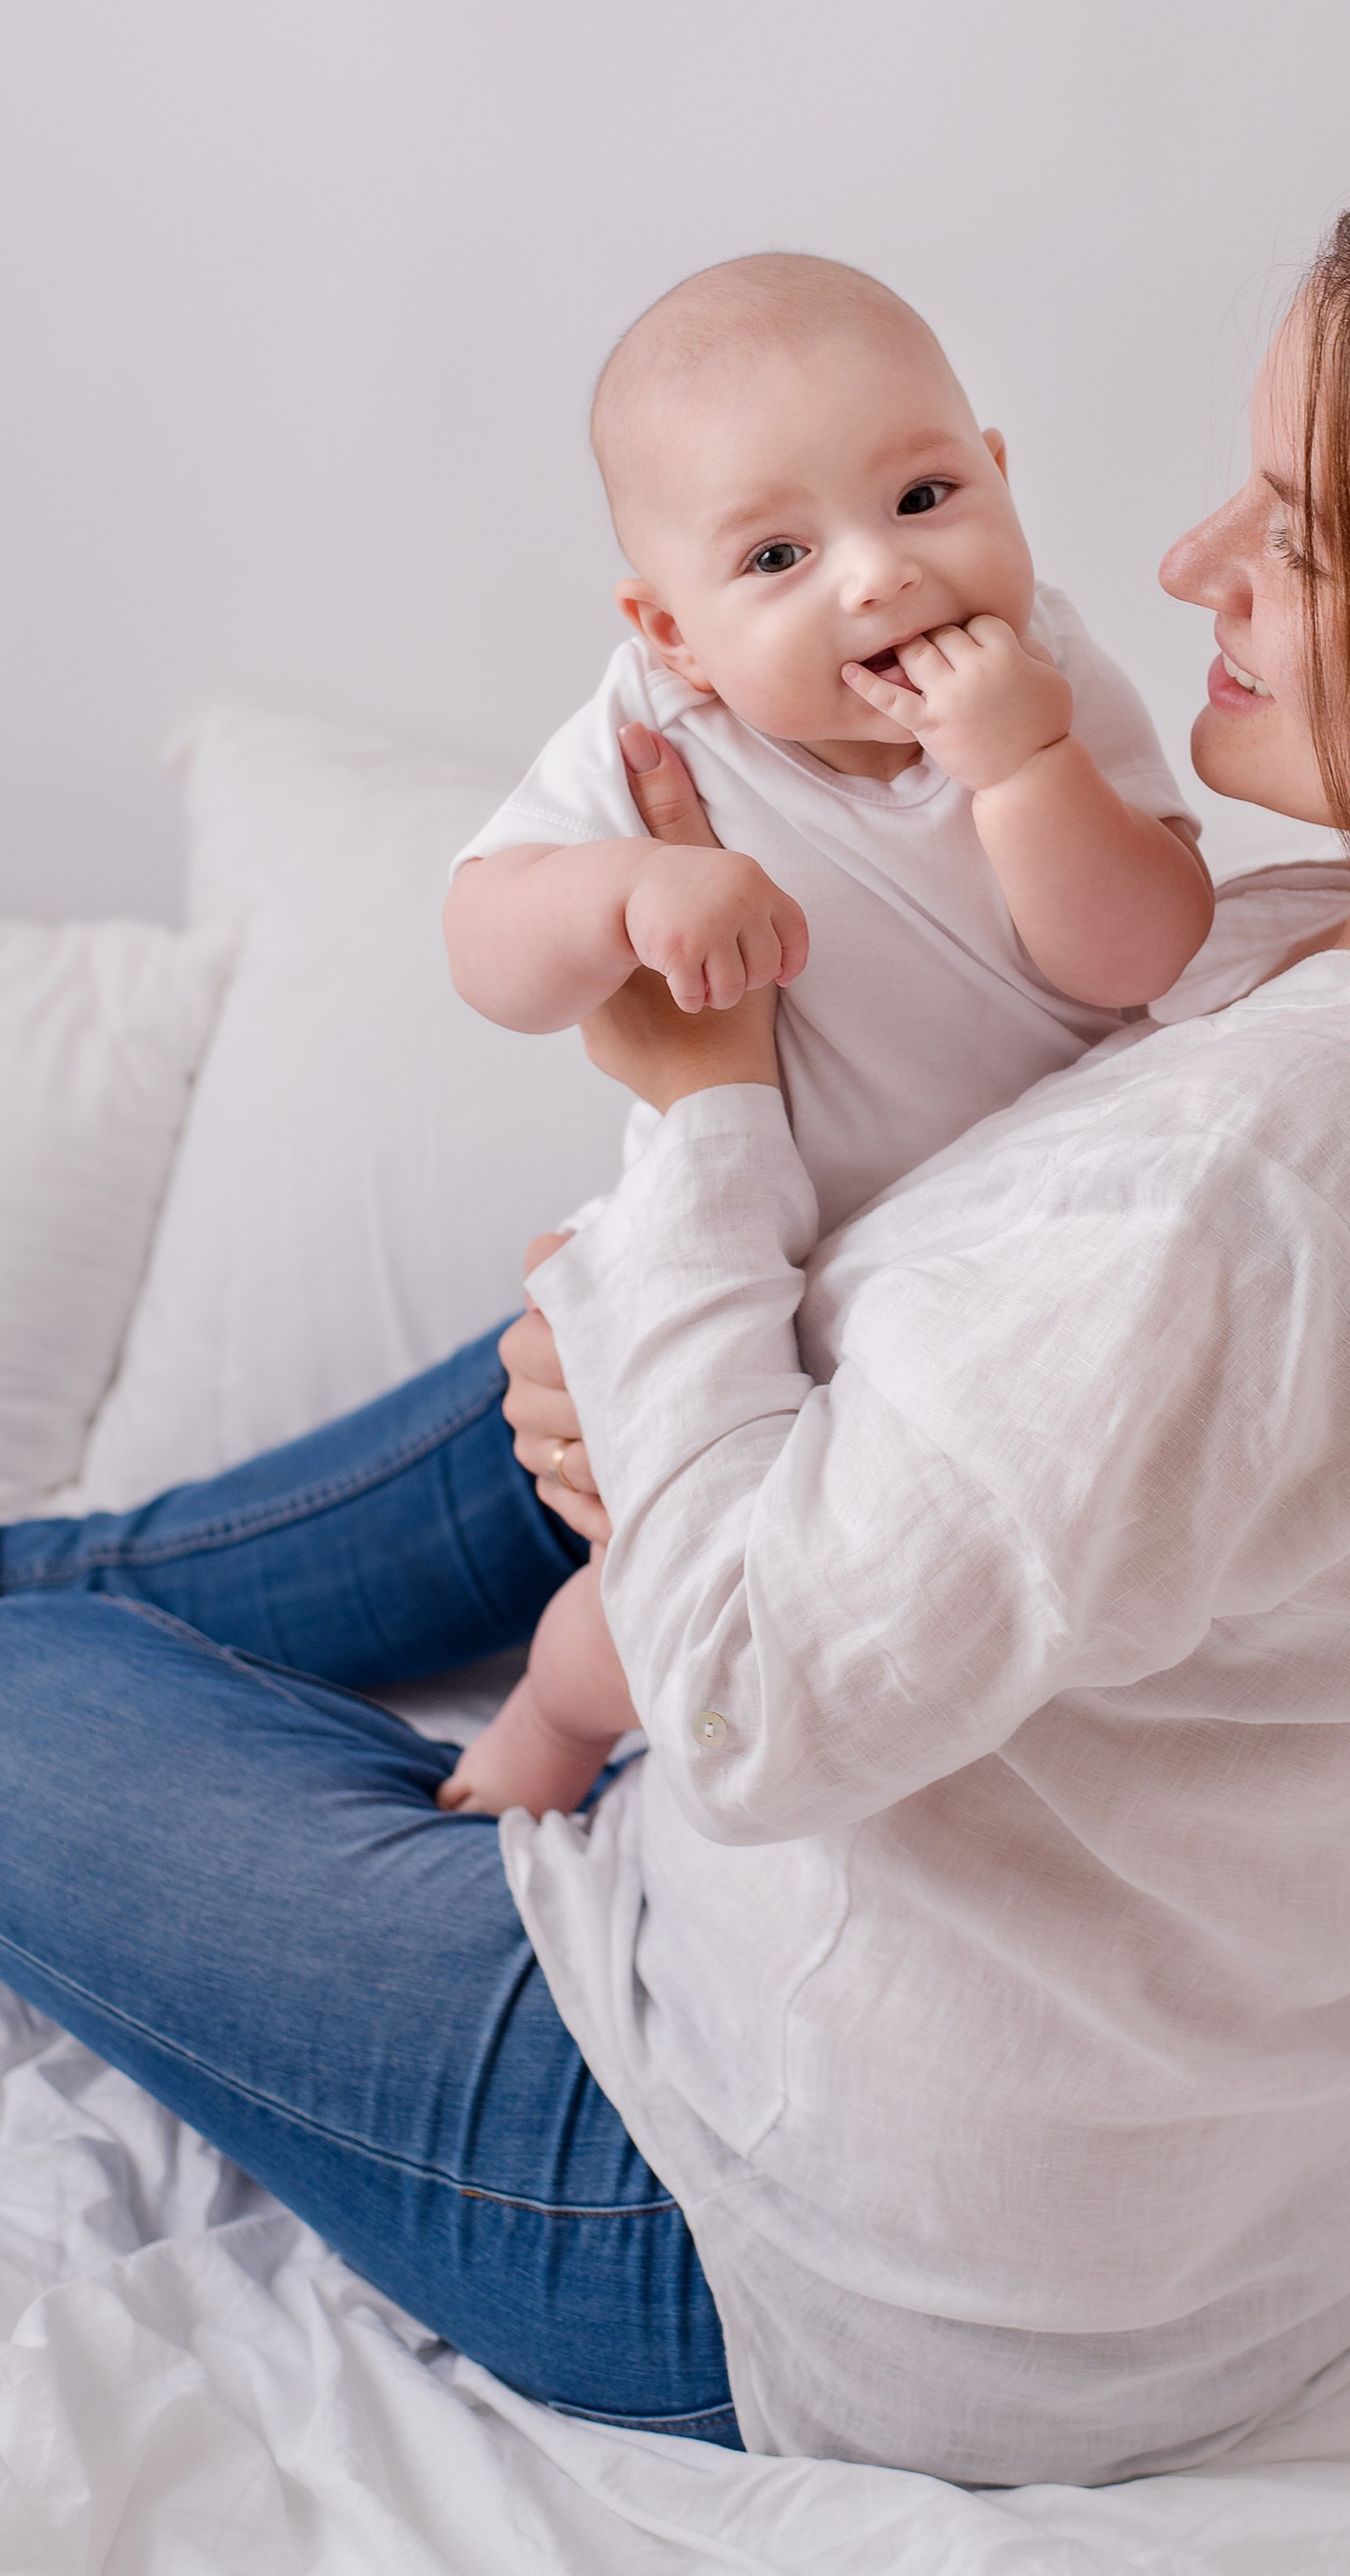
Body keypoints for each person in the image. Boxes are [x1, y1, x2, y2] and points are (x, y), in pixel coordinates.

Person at [0, 155, 1350, 2487]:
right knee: (593, 1344)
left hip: (818, 2247)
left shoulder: (1253, 1186)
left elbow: (746, 1701)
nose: (1187, 564)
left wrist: (698, 1109)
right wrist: (658, 1309)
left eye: (1294, 532)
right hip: (1310, 2193)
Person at [438, 250, 1213, 1811]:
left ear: (1000, 476)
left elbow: (1145, 953)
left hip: (974, 1290)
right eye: (779, 554)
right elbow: (485, 950)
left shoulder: (1047, 681)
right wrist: (625, 889)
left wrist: (1026, 770)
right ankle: (541, 1739)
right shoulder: (661, 731)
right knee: (619, 1611)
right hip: (743, 1271)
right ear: (672, 628)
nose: (878, 575)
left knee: (757, 1586)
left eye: (924, 497)